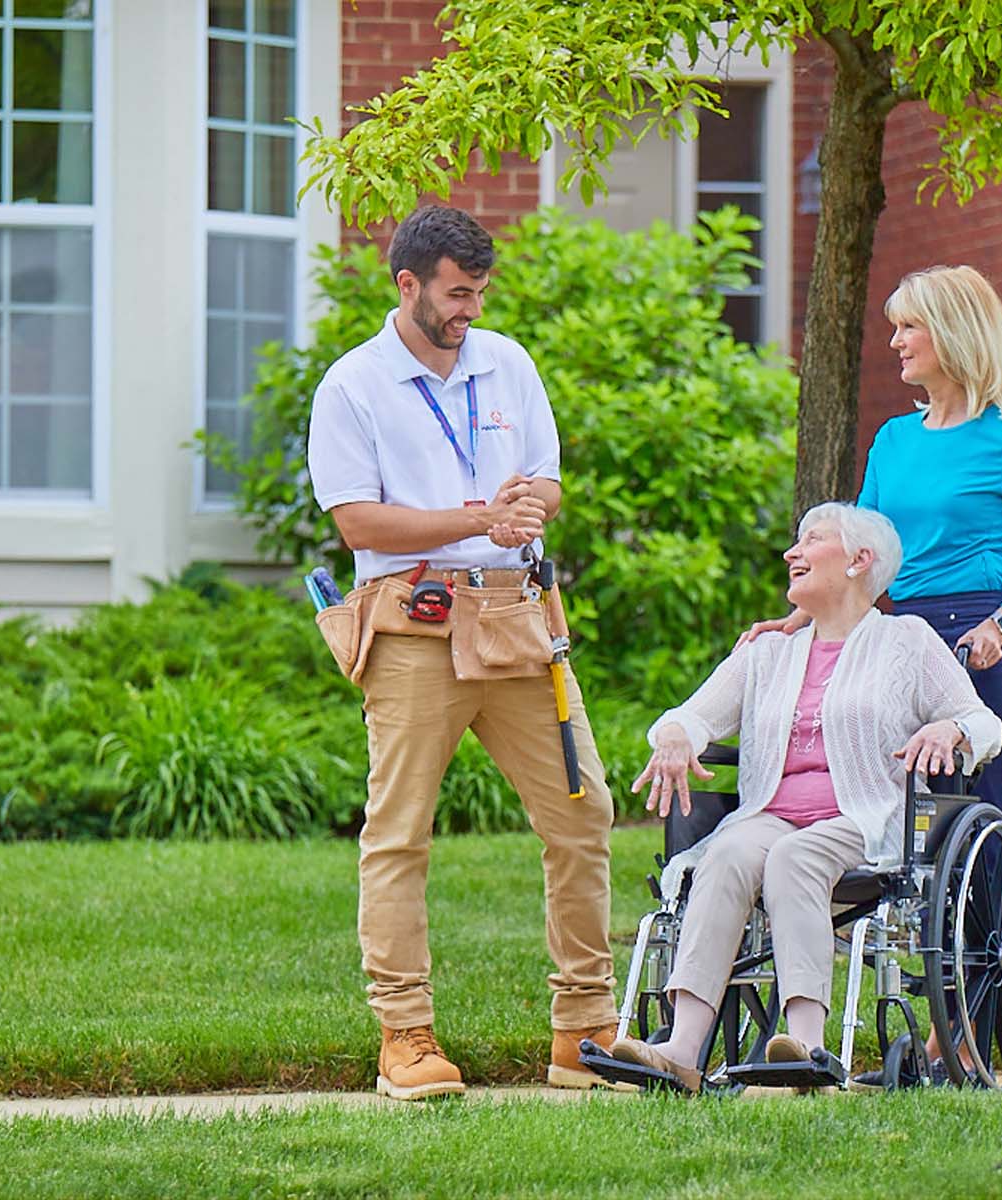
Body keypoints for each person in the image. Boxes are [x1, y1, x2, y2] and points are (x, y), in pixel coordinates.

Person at [306, 205, 620, 1101]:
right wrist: (480, 517)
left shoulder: (507, 362)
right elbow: (358, 519)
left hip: (519, 621)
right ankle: (405, 1038)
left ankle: (583, 1030)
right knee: (399, 834)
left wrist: (531, 505)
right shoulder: (353, 386)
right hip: (412, 626)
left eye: (478, 293)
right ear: (406, 285)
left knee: (582, 810)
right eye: (455, 294)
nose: (469, 311)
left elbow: (549, 477)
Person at [608, 503, 1002, 1092]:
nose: (792, 553)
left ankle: (806, 1044)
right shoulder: (767, 651)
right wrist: (670, 736)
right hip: (772, 814)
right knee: (727, 856)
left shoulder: (907, 641)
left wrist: (952, 730)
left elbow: (983, 722)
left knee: (794, 858)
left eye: (810, 541)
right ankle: (682, 1049)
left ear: (858, 561)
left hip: (866, 819)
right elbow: (694, 715)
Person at [746, 265, 1002, 826]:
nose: (895, 341)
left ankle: (988, 916)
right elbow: (861, 554)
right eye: (895, 328)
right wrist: (801, 615)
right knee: (895, 822)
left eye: (909, 327)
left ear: (952, 331)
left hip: (984, 639)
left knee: (980, 824)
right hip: (902, 640)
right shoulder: (893, 439)